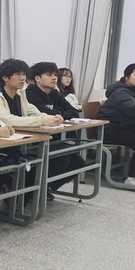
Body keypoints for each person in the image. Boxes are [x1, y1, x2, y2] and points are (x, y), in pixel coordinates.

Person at [25, 62, 88, 197]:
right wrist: (59, 113)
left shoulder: (54, 93)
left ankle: (45, 187)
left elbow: (73, 111)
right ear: (37, 78)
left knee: (79, 163)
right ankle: (30, 191)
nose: (54, 78)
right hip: (36, 140)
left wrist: (59, 114)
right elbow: (45, 114)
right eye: (49, 75)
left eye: (55, 75)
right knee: (61, 159)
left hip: (54, 139)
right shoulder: (30, 93)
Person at [0, 59, 61, 127]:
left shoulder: (20, 94)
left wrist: (53, 118)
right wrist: (40, 121)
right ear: (5, 77)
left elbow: (34, 112)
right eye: (18, 74)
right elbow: (8, 120)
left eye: (24, 74)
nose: (23, 78)